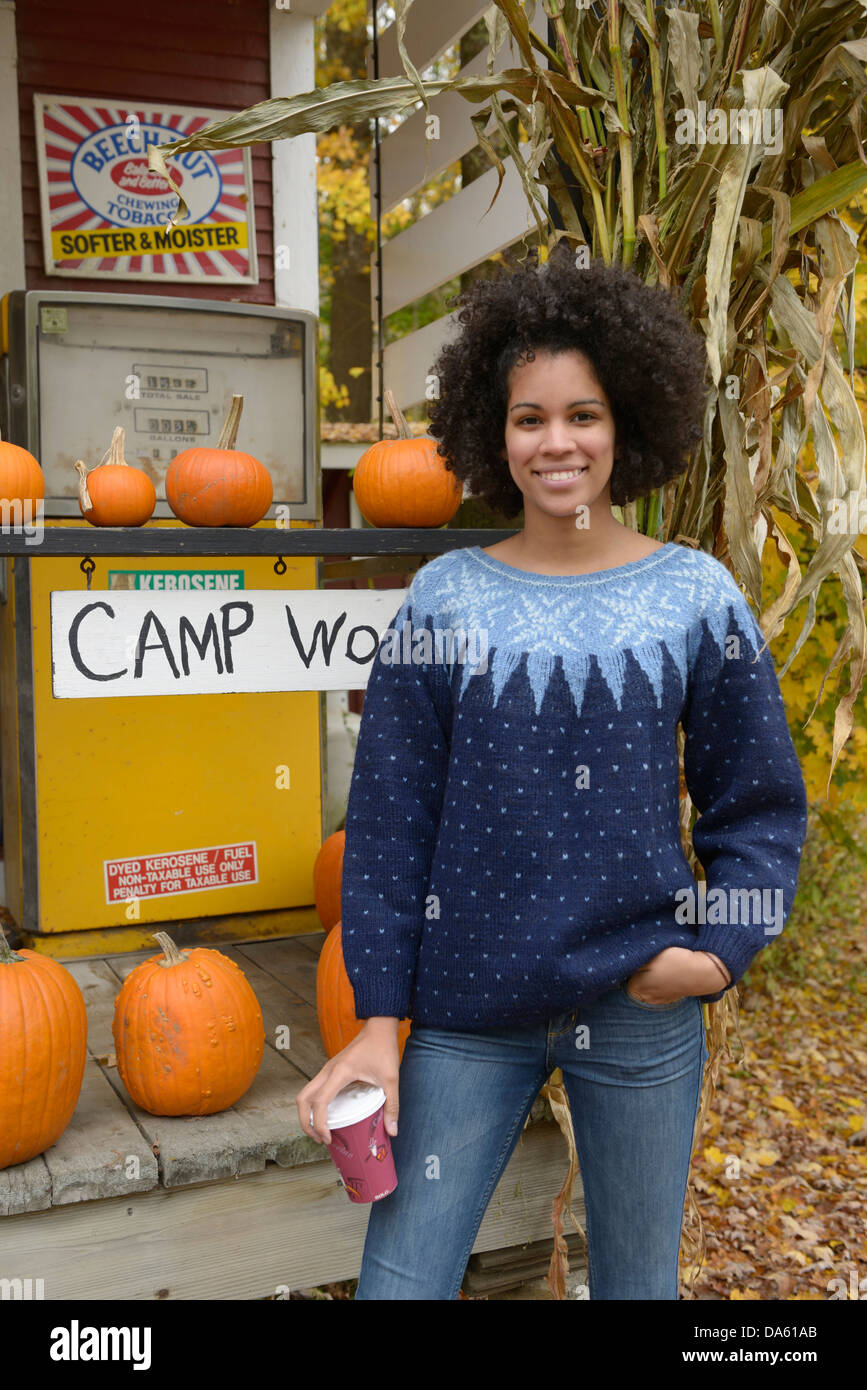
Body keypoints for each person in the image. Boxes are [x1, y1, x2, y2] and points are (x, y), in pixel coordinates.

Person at [296, 244, 809, 1300]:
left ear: (627, 425)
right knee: (401, 1283)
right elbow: (389, 830)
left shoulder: (694, 599)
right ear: (494, 433)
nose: (557, 441)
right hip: (465, 1014)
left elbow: (759, 802)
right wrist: (377, 1029)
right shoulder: (442, 601)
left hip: (638, 1003)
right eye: (530, 417)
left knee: (637, 1286)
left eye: (583, 414)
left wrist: (715, 954)